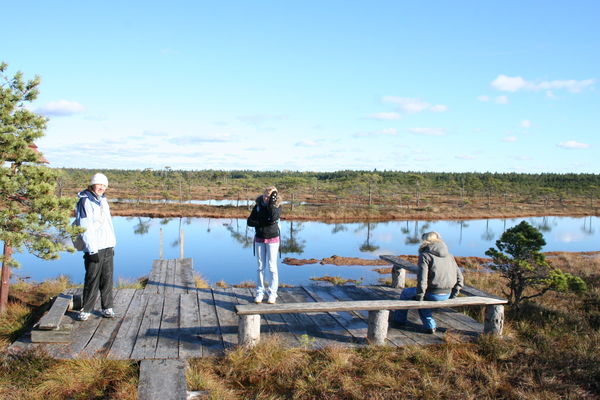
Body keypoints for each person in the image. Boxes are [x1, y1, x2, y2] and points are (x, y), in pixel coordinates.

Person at [394, 231, 463, 333]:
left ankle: (399, 321)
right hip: (447, 294)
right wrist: (454, 294)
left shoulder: (425, 256)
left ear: (425, 241)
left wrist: (420, 296)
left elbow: (422, 279)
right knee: (422, 297)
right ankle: (429, 326)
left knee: (407, 294)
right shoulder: (450, 256)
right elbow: (460, 278)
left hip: (433, 293)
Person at [73, 173, 117, 321]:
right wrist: (91, 249)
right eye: (99, 185)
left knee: (107, 277)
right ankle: (87, 309)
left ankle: (107, 307)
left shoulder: (103, 200)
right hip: (94, 247)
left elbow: (108, 224)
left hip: (107, 245)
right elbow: (84, 227)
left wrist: (112, 244)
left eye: (104, 185)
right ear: (92, 185)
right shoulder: (85, 201)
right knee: (92, 278)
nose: (102, 188)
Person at [247, 186, 281, 304]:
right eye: (265, 195)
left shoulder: (277, 206)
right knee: (260, 267)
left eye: (270, 196)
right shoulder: (258, 206)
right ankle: (260, 292)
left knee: (272, 267)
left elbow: (273, 217)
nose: (266, 198)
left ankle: (272, 293)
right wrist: (262, 222)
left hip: (273, 239)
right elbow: (249, 221)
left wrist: (271, 203)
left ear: (274, 197)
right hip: (260, 239)